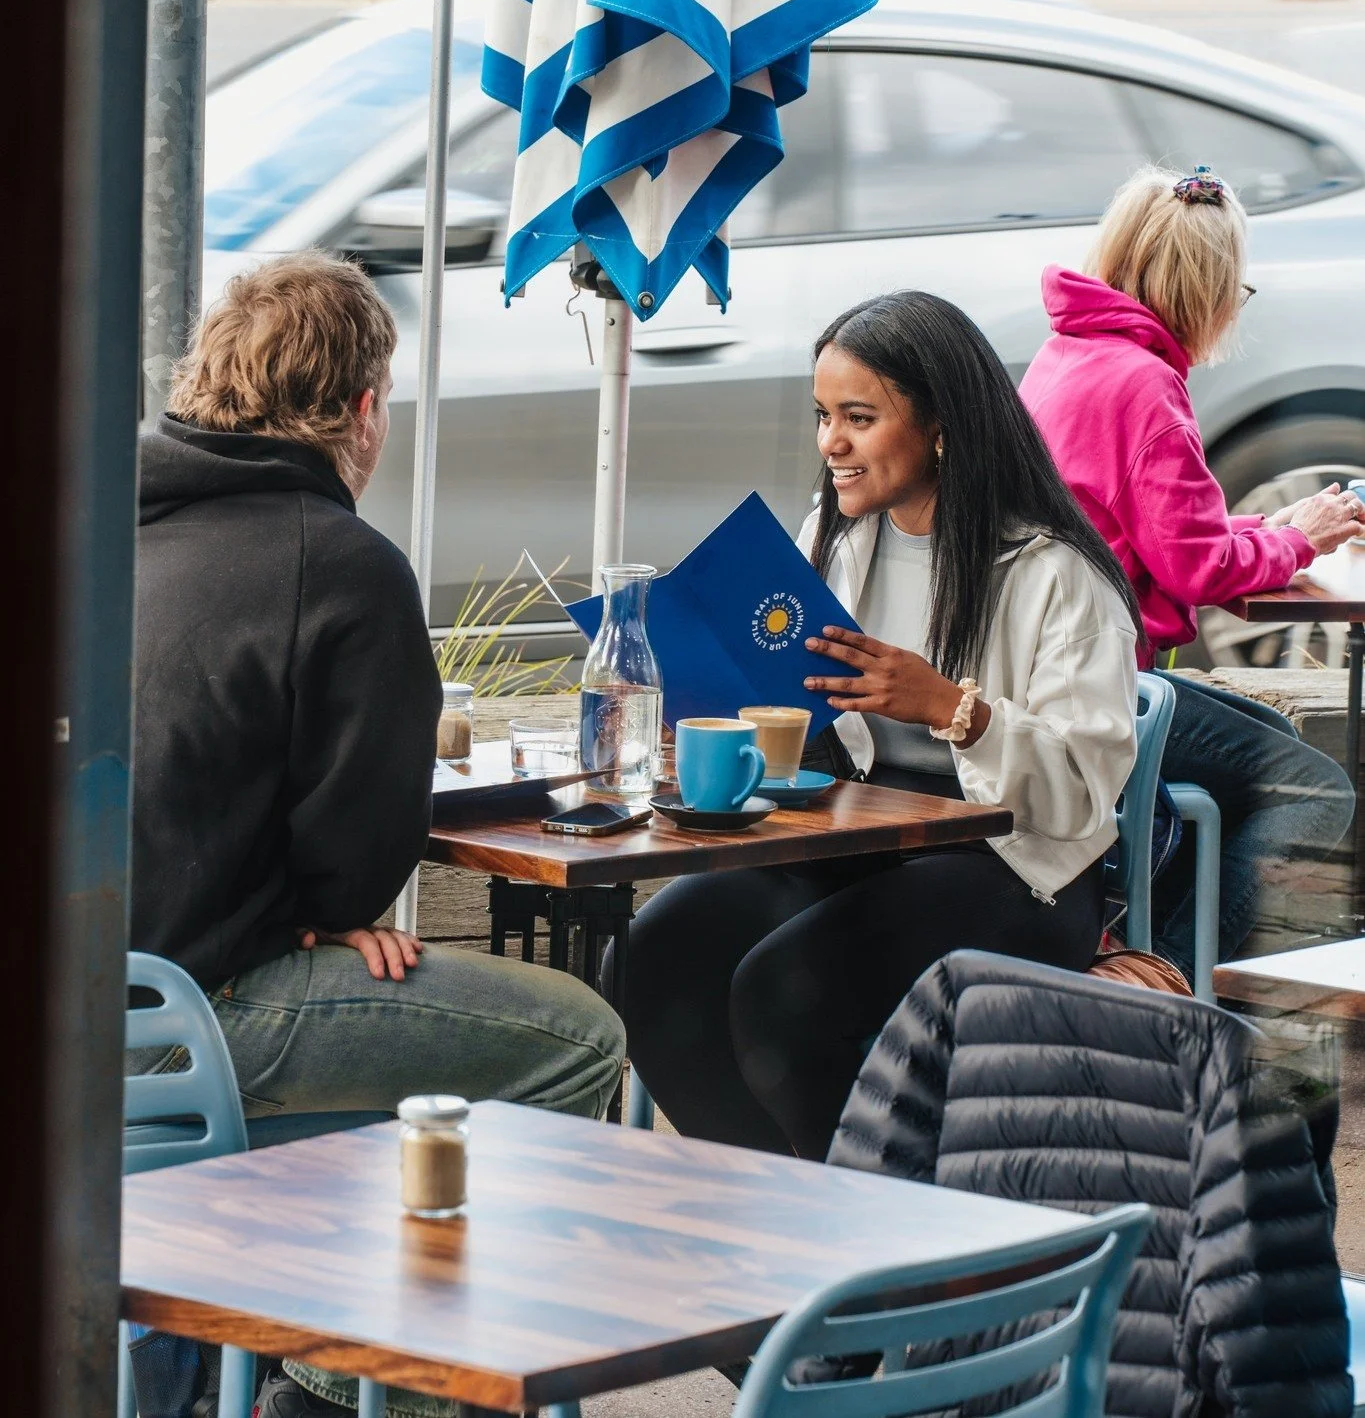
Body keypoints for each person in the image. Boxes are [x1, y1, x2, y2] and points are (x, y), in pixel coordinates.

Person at [131, 253, 625, 1418]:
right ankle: (338, 1391)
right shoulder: (339, 563)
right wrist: (320, 913)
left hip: (65, 1008)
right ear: (361, 409)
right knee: (579, 1040)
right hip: (190, 1018)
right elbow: (360, 862)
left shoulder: (106, 520)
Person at [617, 292, 1139, 1161]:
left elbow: (1082, 795)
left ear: (939, 424)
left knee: (784, 993)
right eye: (823, 417)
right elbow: (807, 716)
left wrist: (951, 709)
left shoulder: (1053, 571)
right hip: (860, 841)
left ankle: (874, 1231)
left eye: (858, 418)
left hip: (1013, 866)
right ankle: (773, 1202)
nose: (831, 444)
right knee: (651, 959)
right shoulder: (833, 534)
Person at [1021, 164, 1361, 980]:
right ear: (1206, 292)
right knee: (1314, 794)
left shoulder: (1069, 354)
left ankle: (1152, 934)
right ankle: (1156, 982)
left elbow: (1150, 528)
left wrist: (1271, 528)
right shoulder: (1145, 386)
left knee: (1275, 742)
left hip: (1043, 673)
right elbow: (1200, 567)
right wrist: (1301, 543)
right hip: (1098, 688)